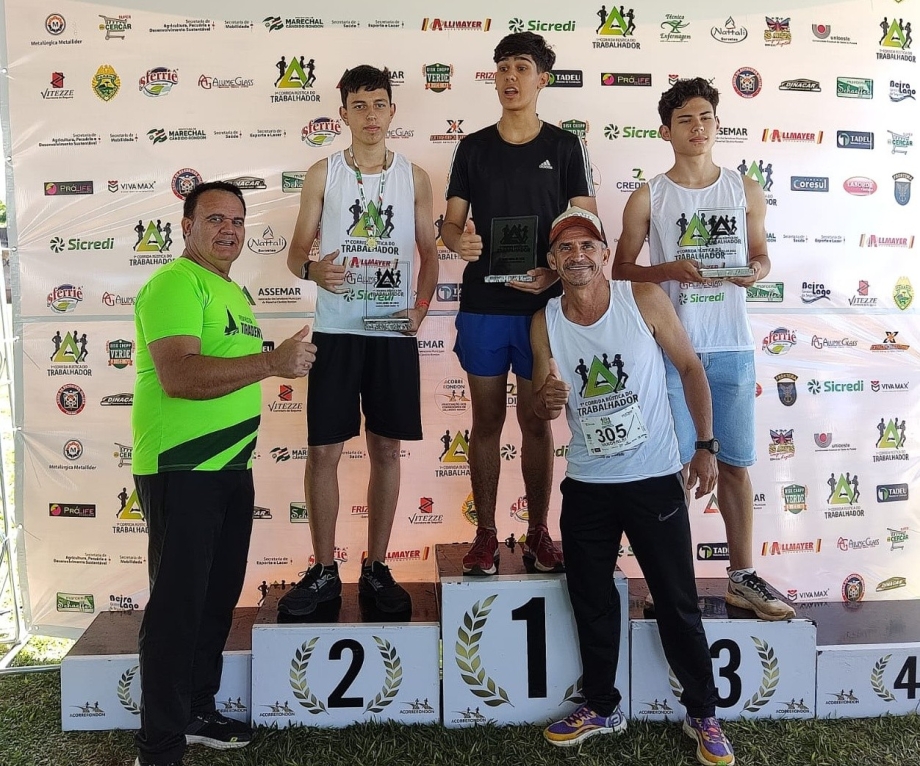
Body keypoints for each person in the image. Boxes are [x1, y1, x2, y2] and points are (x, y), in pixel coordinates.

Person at [534, 206, 734, 766]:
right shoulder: (544, 319)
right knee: (592, 600)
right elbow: (540, 396)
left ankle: (704, 713)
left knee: (675, 600)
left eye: (587, 246)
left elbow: (692, 368)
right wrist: (546, 400)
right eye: (565, 249)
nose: (577, 256)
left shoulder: (641, 299)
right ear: (552, 261)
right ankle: (601, 705)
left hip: (653, 480)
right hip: (588, 483)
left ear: (604, 254)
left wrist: (705, 444)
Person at [132, 181, 316, 766]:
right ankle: (158, 747)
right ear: (186, 225)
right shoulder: (174, 283)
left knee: (214, 602)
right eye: (214, 219)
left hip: (229, 467)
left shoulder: (229, 290)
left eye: (236, 220)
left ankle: (196, 710)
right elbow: (180, 377)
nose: (228, 230)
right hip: (182, 466)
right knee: (177, 609)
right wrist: (271, 362)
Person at [612, 77, 794, 621]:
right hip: (673, 349)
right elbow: (621, 269)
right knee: (674, 470)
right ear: (666, 130)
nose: (698, 127)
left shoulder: (744, 189)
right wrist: (667, 269)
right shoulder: (650, 194)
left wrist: (756, 271)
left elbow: (761, 255)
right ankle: (675, 583)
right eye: (687, 119)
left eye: (707, 118)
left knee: (734, 465)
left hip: (732, 347)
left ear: (718, 124)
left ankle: (742, 577)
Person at [280, 65, 438, 616]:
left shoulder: (415, 177)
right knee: (324, 450)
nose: (371, 115)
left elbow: (430, 252)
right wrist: (311, 271)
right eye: (360, 105)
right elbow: (297, 251)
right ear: (343, 113)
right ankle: (324, 569)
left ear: (393, 111)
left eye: (379, 104)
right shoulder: (322, 173)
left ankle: (376, 565)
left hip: (391, 333)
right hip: (337, 331)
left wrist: (420, 308)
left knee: (387, 449)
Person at [441, 31, 595, 576]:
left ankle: (538, 533)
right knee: (485, 422)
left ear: (542, 79)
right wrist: (455, 239)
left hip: (543, 310)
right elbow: (450, 223)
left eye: (522, 67)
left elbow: (587, 226)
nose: (510, 77)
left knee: (536, 422)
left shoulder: (564, 147)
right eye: (502, 67)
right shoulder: (473, 147)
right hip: (484, 304)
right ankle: (484, 534)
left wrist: (554, 268)